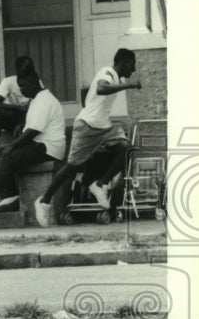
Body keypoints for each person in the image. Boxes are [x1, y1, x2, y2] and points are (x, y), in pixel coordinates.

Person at [34, 49, 140, 227]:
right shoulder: (107, 72)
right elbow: (101, 88)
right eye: (132, 64)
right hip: (86, 126)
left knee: (126, 148)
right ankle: (43, 201)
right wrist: (129, 85)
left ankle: (100, 184)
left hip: (105, 128)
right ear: (123, 62)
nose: (134, 69)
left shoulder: (116, 77)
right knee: (71, 167)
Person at [0, 58, 66, 214]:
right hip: (41, 144)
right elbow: (30, 127)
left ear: (33, 84)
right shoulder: (37, 100)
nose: (22, 91)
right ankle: (11, 196)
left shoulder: (44, 100)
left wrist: (13, 145)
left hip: (48, 147)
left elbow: (33, 131)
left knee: (8, 155)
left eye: (24, 87)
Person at [0, 56, 39, 172]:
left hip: (29, 120)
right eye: (23, 68)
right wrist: (19, 108)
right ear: (17, 70)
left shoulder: (36, 82)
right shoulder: (8, 82)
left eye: (28, 68)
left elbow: (39, 106)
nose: (25, 71)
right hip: (13, 116)